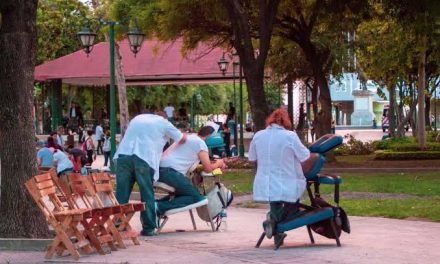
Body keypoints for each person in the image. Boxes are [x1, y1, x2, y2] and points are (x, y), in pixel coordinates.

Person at [248, 108, 319, 243]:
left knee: (275, 202)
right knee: (293, 206)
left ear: (270, 121)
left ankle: (273, 223)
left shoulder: (258, 135)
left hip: (264, 181)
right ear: (286, 122)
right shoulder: (289, 136)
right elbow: (304, 155)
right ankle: (274, 223)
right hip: (287, 179)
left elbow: (252, 157)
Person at [113, 113, 187, 236]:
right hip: (144, 158)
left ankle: (116, 225)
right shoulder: (164, 123)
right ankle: (148, 228)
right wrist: (185, 134)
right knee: (147, 193)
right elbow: (182, 139)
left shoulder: (137, 118)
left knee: (121, 193)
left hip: (123, 155)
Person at [157, 126, 226, 216]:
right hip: (171, 172)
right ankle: (158, 207)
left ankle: (154, 205)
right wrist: (219, 163)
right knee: (196, 197)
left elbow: (188, 160)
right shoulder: (200, 143)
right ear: (209, 136)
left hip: (160, 171)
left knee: (183, 194)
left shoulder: (190, 137)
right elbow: (208, 169)